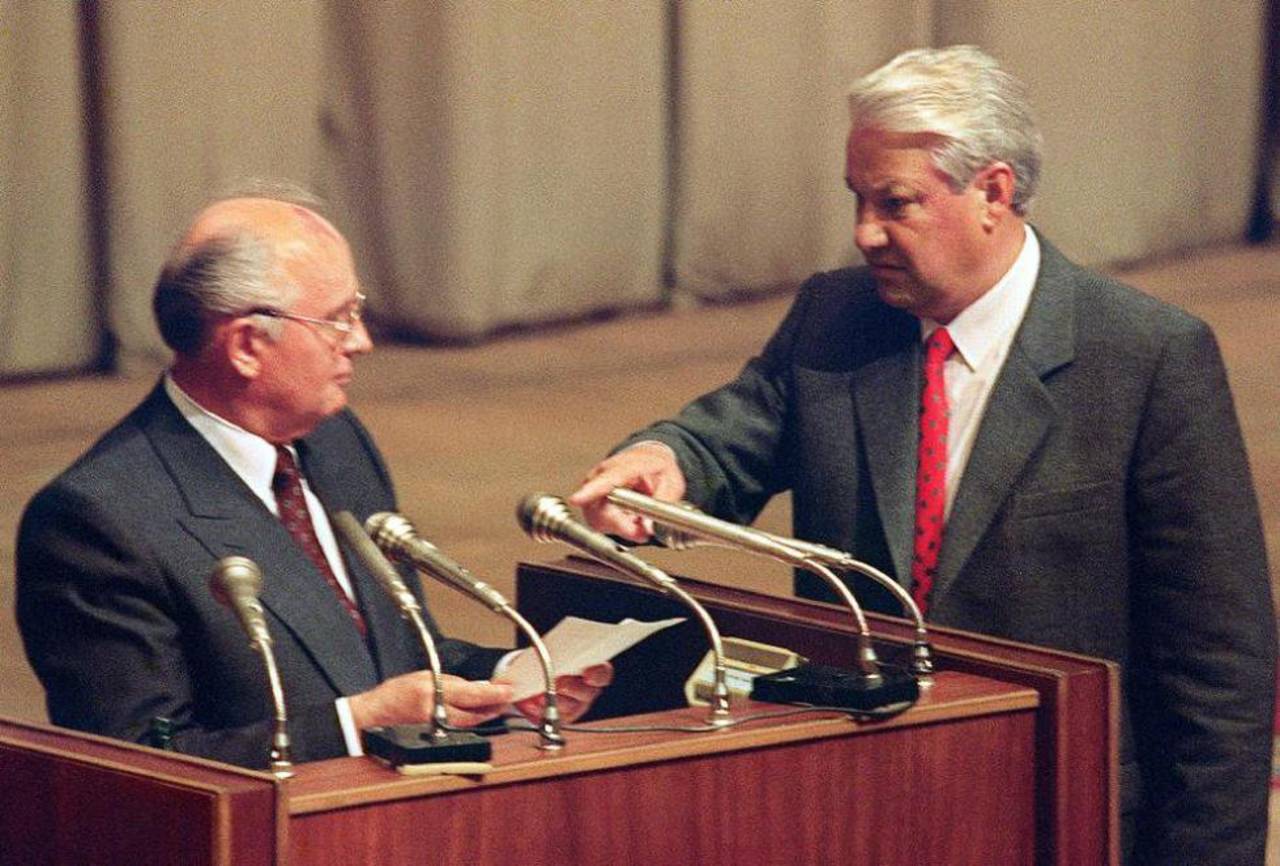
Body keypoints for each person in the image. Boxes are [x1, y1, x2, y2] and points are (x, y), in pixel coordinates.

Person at [571, 46, 1275, 864]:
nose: (864, 231)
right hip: (859, 805)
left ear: (993, 193)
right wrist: (667, 459)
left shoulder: (1145, 357)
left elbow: (1220, 664)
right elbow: (731, 435)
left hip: (1056, 807)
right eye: (857, 199)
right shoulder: (835, 318)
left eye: (895, 203)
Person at [16, 192, 610, 769]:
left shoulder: (336, 442)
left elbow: (389, 652)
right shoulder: (96, 522)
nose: (362, 341)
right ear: (247, 345)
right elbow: (143, 762)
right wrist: (355, 725)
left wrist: (505, 681)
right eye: (337, 319)